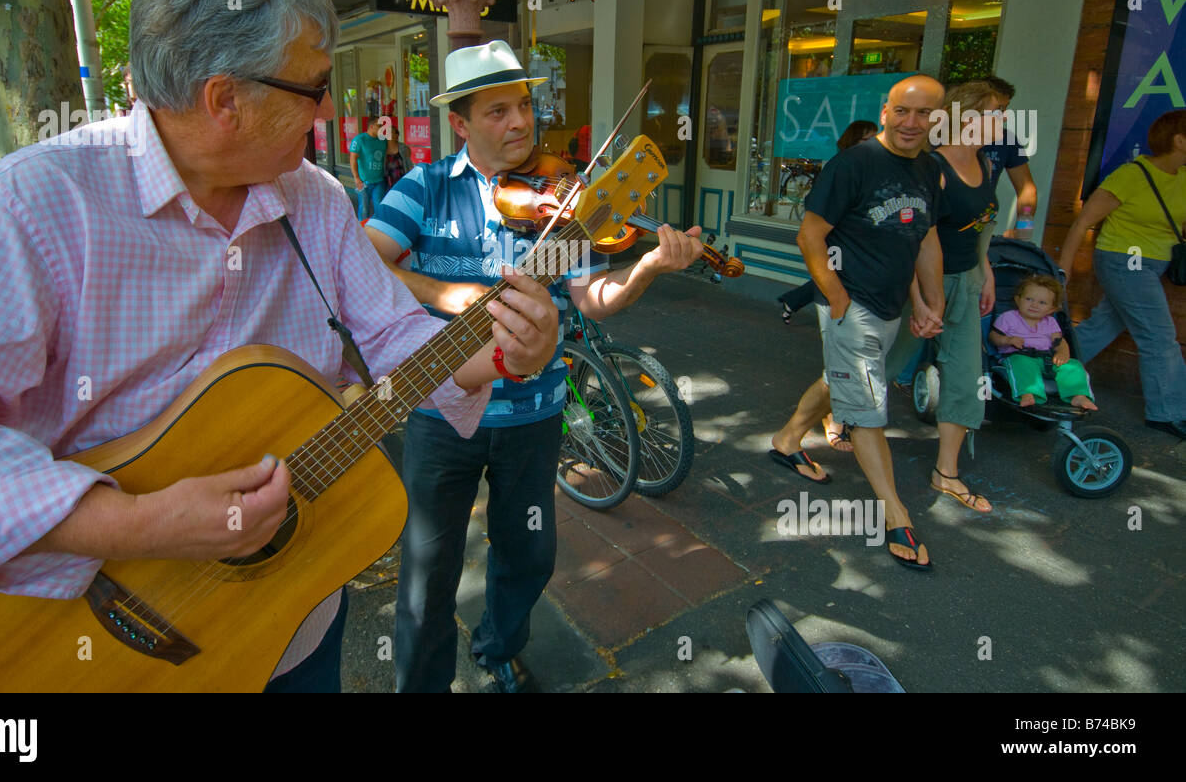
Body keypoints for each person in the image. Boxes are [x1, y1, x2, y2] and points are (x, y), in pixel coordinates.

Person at [0, 0, 560, 693]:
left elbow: (393, 337)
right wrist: (138, 524)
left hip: (288, 620)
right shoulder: (29, 206)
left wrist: (504, 353)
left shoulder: (317, 199)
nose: (331, 109)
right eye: (314, 85)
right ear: (224, 99)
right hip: (71, 640)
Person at [365, 39, 703, 692]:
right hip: (442, 415)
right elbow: (364, 259)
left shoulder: (563, 204)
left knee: (528, 553)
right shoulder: (425, 188)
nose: (519, 122)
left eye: (523, 105)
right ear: (460, 123)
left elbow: (594, 301)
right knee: (426, 571)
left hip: (535, 413)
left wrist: (650, 267)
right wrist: (445, 294)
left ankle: (499, 647)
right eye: (497, 111)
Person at [767, 74, 946, 570]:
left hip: (890, 305)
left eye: (925, 113)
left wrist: (932, 303)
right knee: (866, 406)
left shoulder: (929, 170)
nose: (913, 122)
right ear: (886, 112)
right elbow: (810, 236)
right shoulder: (854, 163)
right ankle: (896, 514)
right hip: (853, 304)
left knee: (841, 379)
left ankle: (786, 441)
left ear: (937, 118)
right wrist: (837, 296)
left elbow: (924, 238)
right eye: (903, 111)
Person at [886, 81, 1002, 515]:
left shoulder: (987, 166)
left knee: (966, 375)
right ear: (966, 118)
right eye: (995, 112)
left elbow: (982, 226)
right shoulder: (929, 168)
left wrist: (985, 273)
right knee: (889, 362)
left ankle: (946, 472)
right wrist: (919, 299)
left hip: (965, 281)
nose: (1004, 120)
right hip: (919, 283)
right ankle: (839, 413)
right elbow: (912, 238)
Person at [1059, 108, 1186, 438]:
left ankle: (1046, 369)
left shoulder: (1183, 178)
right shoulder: (1131, 176)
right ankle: (1168, 412)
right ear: (1180, 140)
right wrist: (1064, 269)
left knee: (1103, 325)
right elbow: (1083, 222)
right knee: (1159, 336)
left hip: (1153, 263)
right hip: (1126, 260)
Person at [775, 118, 878, 451]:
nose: (873, 142)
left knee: (851, 367)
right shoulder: (841, 168)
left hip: (874, 285)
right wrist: (835, 294)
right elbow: (811, 233)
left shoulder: (879, 169)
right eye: (866, 138)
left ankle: (820, 424)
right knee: (842, 367)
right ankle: (824, 424)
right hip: (842, 272)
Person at [989, 274, 1097, 410]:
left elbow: (1059, 341)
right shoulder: (1008, 318)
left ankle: (1078, 395)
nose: (1034, 305)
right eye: (1029, 299)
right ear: (1018, 299)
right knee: (1022, 364)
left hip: (1047, 358)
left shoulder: (1050, 322)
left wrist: (1063, 352)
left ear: (1051, 309)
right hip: (1020, 355)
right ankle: (1028, 393)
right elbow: (993, 336)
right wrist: (1007, 340)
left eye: (1042, 303)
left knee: (1073, 365)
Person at [978, 75, 1038, 240]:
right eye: (997, 109)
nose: (1003, 116)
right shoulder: (944, 136)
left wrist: (1024, 231)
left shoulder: (1007, 139)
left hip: (981, 228)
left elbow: (1027, 190)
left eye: (1004, 109)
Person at [348, 118, 387, 219]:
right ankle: (362, 230)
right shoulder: (359, 140)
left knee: (379, 206)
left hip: (379, 180)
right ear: (371, 126)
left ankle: (379, 229)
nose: (382, 128)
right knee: (364, 208)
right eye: (379, 126)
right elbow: (353, 159)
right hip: (363, 181)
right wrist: (356, 178)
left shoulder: (383, 140)